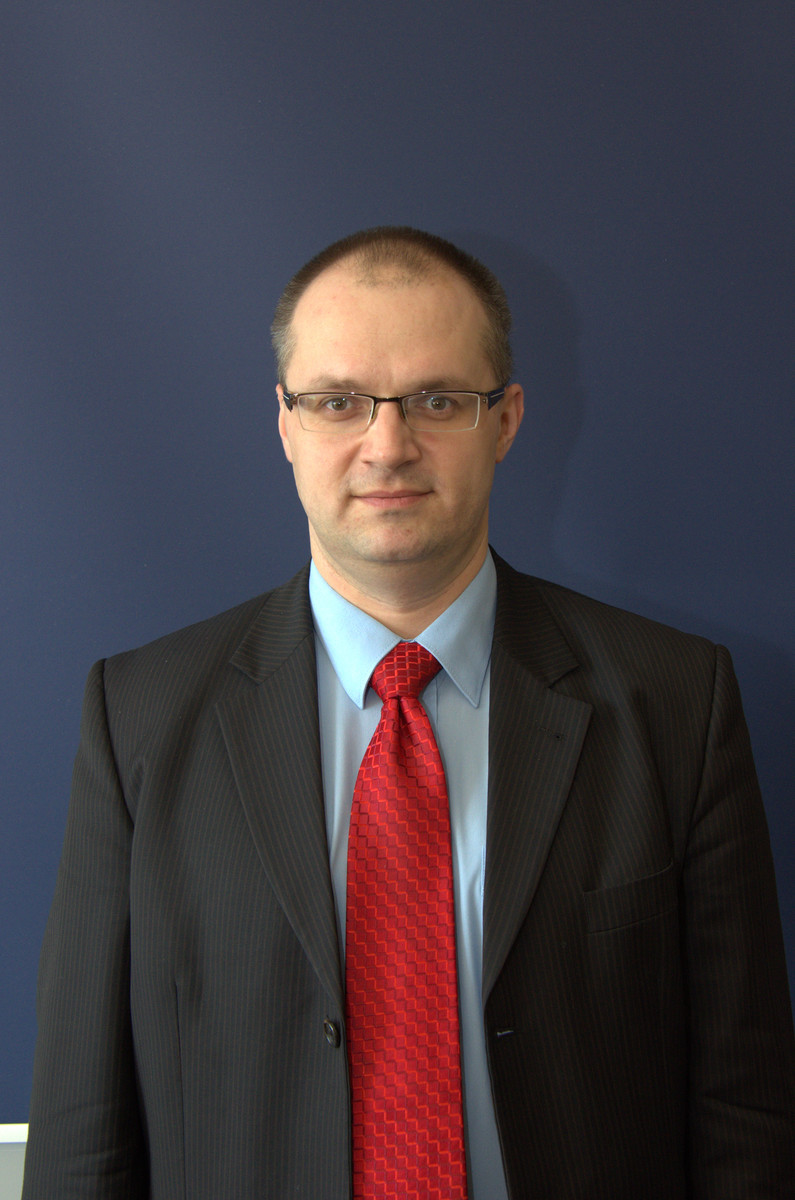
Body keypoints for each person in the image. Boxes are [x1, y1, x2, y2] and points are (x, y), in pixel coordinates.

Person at [23, 226, 795, 1199]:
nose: (387, 446)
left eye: (437, 400)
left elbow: (743, 1104)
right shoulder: (139, 717)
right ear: (285, 424)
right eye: (338, 402)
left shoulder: (675, 701)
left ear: (505, 420)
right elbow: (82, 1128)